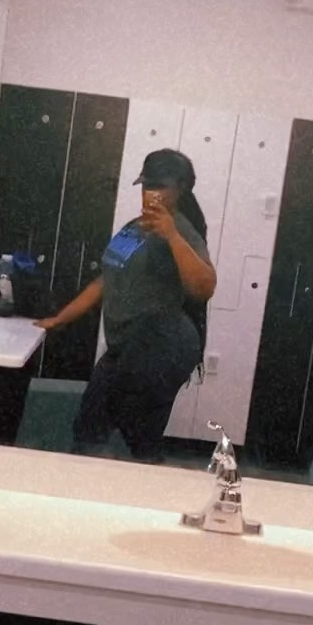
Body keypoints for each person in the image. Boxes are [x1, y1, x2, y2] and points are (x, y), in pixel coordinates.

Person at [35, 149, 217, 462]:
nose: (151, 193)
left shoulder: (182, 230)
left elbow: (204, 287)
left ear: (181, 188)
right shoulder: (134, 228)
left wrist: (172, 236)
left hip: (162, 346)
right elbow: (105, 279)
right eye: (147, 185)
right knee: (100, 431)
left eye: (160, 186)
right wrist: (61, 319)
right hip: (128, 345)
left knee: (123, 434)